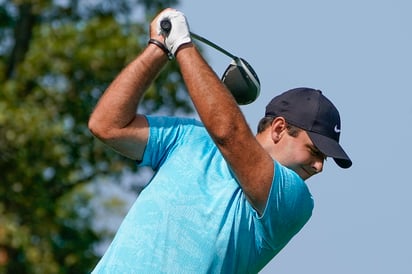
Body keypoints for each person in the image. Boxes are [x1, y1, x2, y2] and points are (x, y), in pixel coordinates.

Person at [88, 8, 352, 273]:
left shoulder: (294, 201)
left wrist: (182, 46)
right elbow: (107, 125)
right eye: (315, 151)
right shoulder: (188, 137)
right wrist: (159, 47)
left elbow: (229, 134)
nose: (319, 167)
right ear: (279, 129)